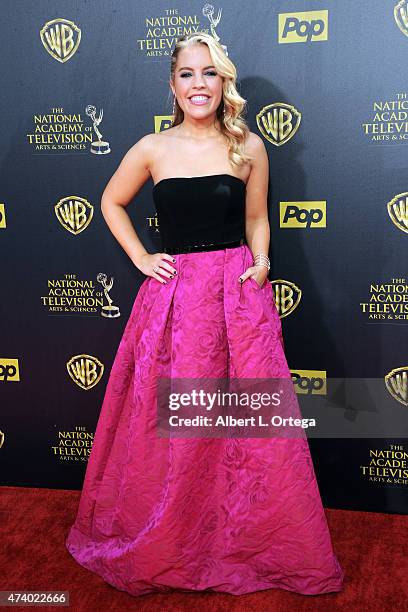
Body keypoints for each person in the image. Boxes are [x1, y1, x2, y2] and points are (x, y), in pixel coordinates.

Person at [65, 31, 344, 597]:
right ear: (172, 85)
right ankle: (174, 537)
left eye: (210, 73)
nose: (199, 84)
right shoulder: (152, 148)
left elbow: (258, 218)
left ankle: (239, 537)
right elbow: (110, 202)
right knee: (172, 419)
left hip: (237, 298)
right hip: (174, 303)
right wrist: (142, 257)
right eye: (188, 74)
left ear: (225, 83)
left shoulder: (249, 146)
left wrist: (262, 262)